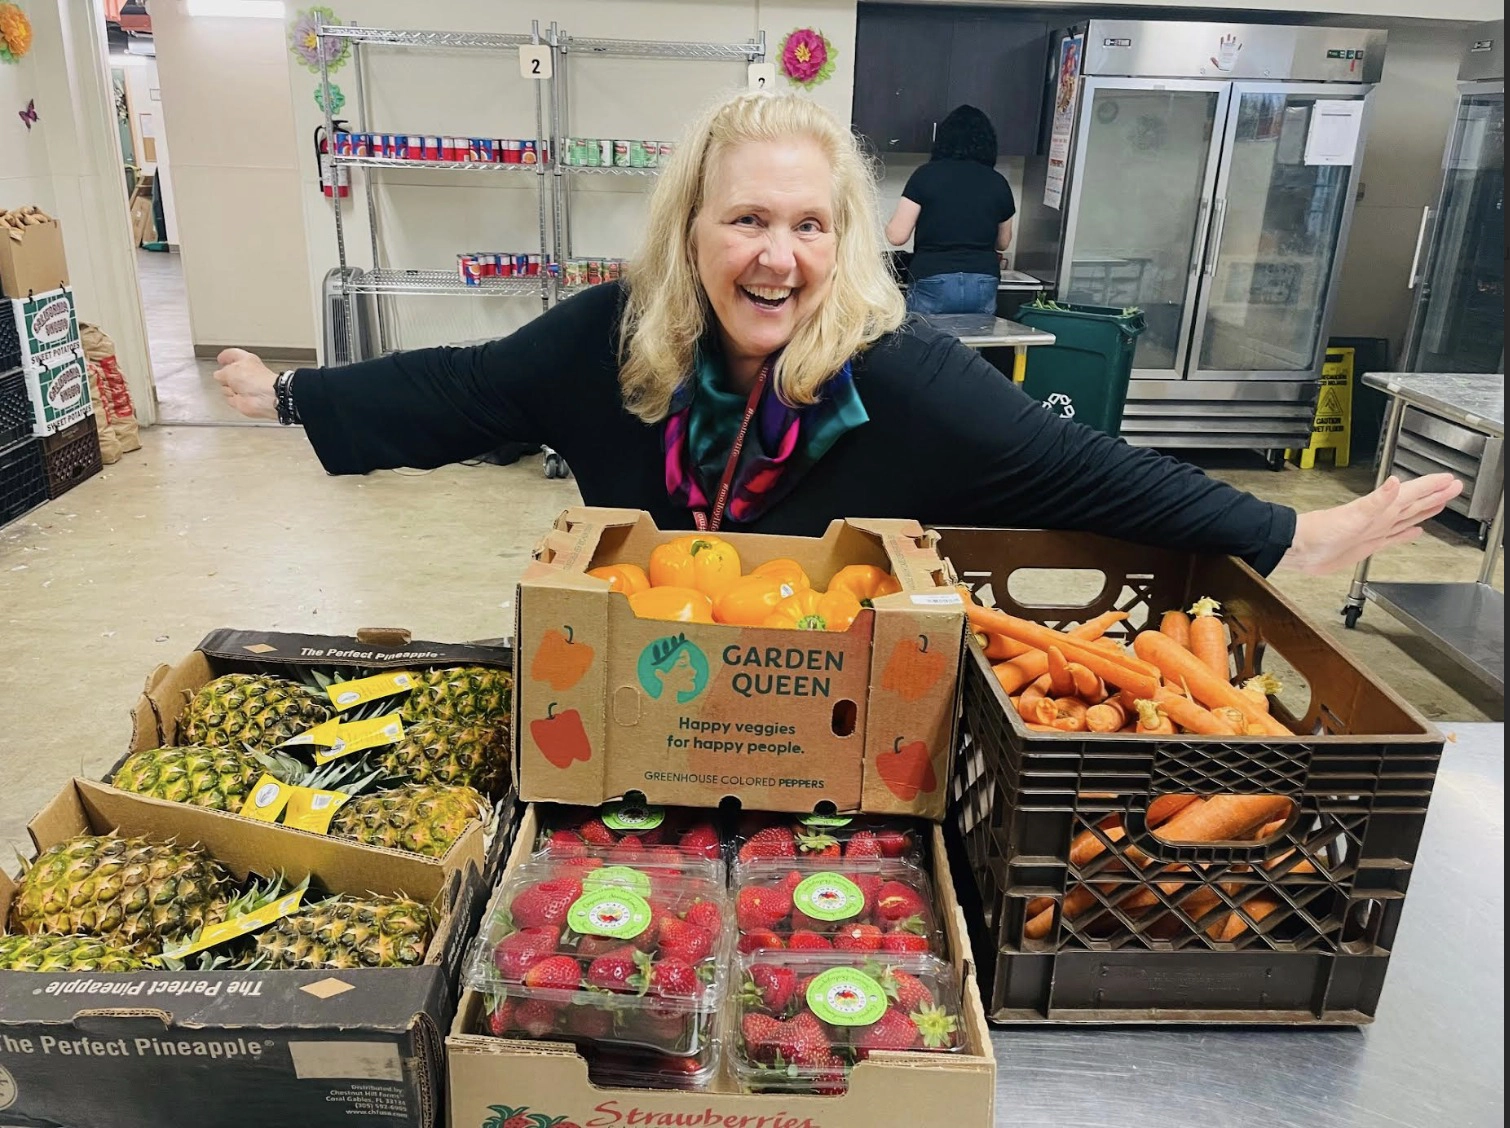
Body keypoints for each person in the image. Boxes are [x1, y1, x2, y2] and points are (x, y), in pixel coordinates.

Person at [215, 90, 1459, 579]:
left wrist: (1298, 530)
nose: (777, 254)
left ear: (845, 238)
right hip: (635, 672)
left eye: (809, 224)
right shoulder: (607, 342)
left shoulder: (902, 372)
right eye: (746, 218)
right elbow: (464, 389)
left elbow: (1087, 470)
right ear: (691, 229)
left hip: (831, 713)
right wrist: (294, 397)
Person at [885, 105, 1016, 316]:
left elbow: (896, 235)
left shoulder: (925, 176)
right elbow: (1003, 242)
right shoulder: (998, 182)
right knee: (971, 346)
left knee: (927, 345)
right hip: (982, 279)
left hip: (933, 277)